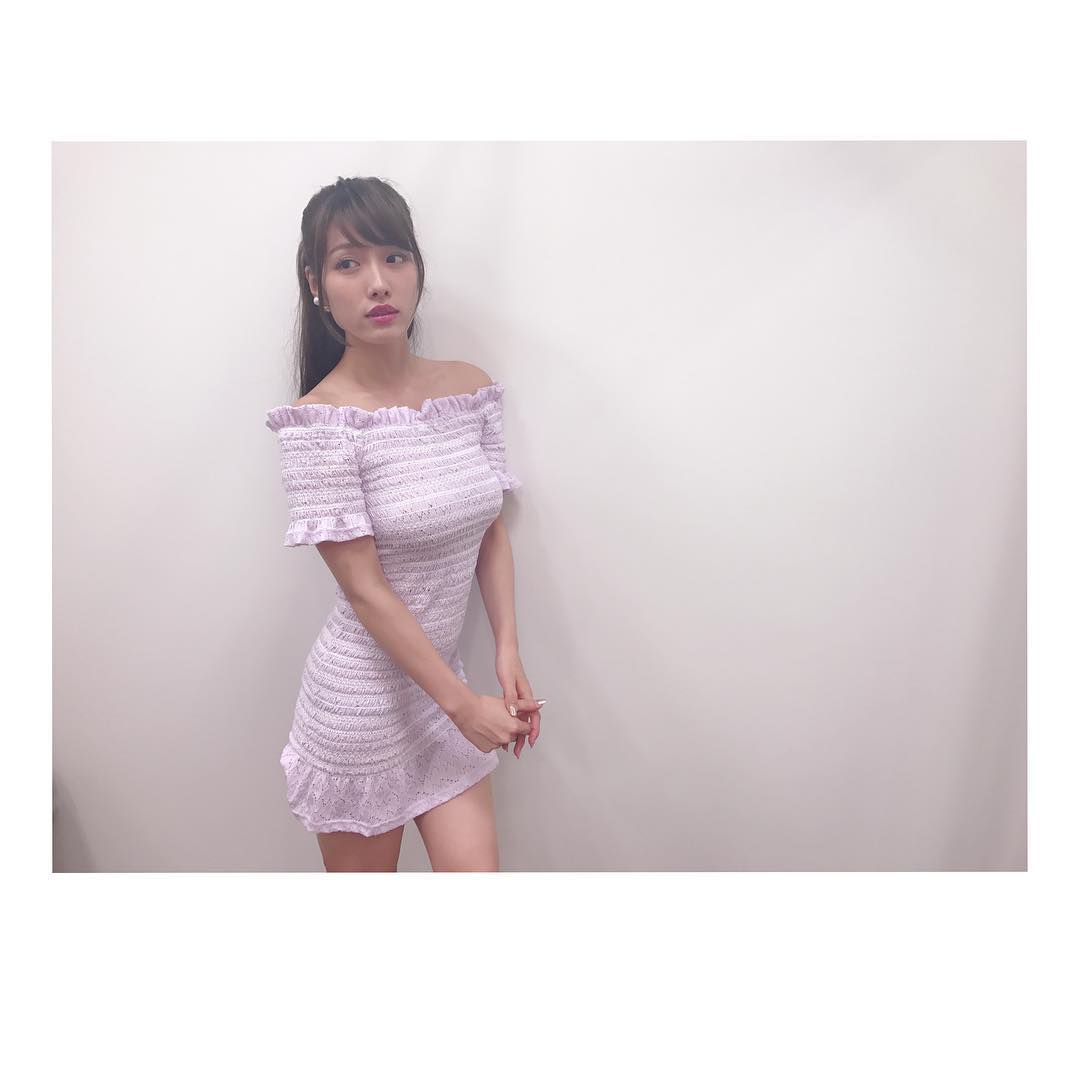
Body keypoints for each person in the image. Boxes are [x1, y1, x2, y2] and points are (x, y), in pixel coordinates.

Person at [266, 176, 544, 872]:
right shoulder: (318, 425)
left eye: (394, 257)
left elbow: (489, 529)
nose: (378, 282)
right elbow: (365, 591)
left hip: (443, 689)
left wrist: (507, 651)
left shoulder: (468, 388)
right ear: (316, 284)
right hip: (360, 708)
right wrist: (464, 708)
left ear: (418, 268)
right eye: (348, 263)